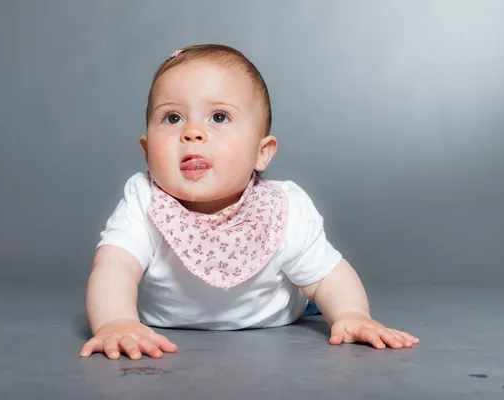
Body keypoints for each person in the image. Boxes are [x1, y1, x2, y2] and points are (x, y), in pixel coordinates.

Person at [80, 44, 419, 360]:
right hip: (162, 323)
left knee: (322, 292)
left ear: (261, 153)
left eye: (219, 117)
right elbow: (114, 267)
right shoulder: (144, 199)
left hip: (275, 319)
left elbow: (327, 276)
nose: (193, 132)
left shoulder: (283, 207)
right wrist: (116, 321)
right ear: (146, 151)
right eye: (173, 118)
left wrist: (352, 314)